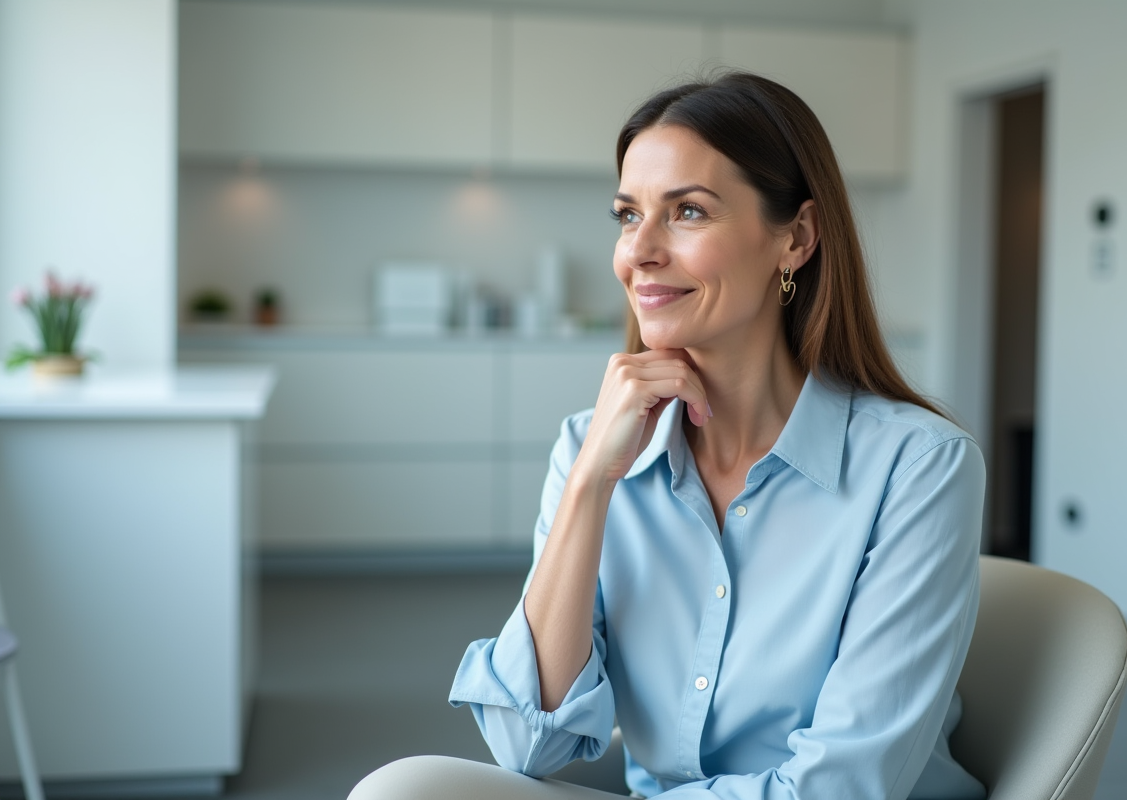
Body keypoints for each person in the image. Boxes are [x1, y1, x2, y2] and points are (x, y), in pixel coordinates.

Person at [360, 71, 989, 800]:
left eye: (688, 212)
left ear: (797, 239)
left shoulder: (919, 468)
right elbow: (527, 741)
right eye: (629, 215)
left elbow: (840, 787)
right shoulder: (592, 449)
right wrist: (593, 479)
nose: (640, 252)